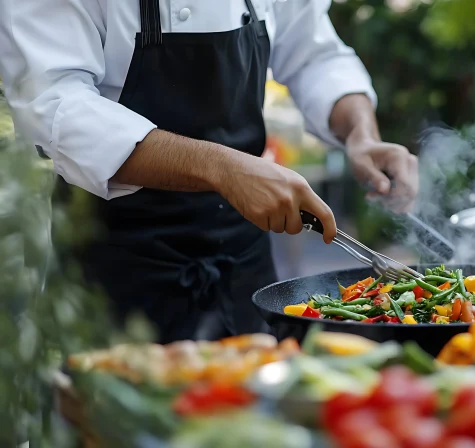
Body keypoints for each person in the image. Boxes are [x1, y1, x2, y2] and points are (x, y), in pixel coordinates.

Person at [0, 0, 418, 343]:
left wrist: (360, 133)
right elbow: (53, 105)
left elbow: (316, 54)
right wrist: (220, 167)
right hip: (117, 280)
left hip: (246, 272)